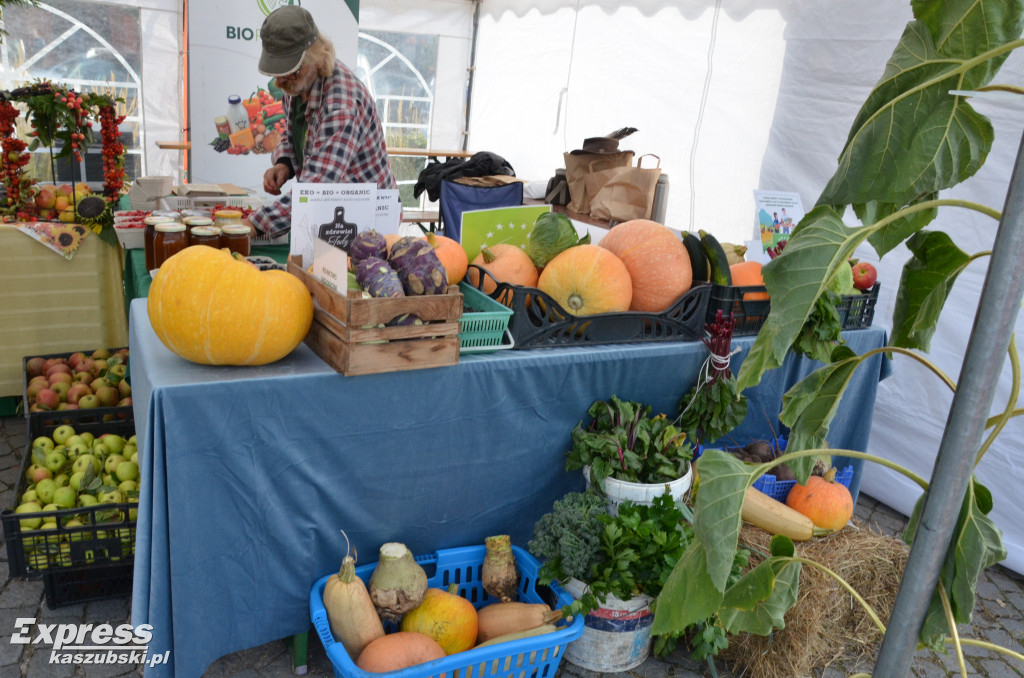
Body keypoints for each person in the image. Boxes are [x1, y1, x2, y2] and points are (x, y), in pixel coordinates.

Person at [248, 6, 396, 239]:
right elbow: (292, 132)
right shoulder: (297, 83)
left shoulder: (342, 104)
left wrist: (254, 225)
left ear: (317, 58)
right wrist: (284, 163)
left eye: (291, 72)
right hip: (335, 208)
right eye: (278, 72)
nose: (281, 82)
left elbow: (317, 187)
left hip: (369, 220)